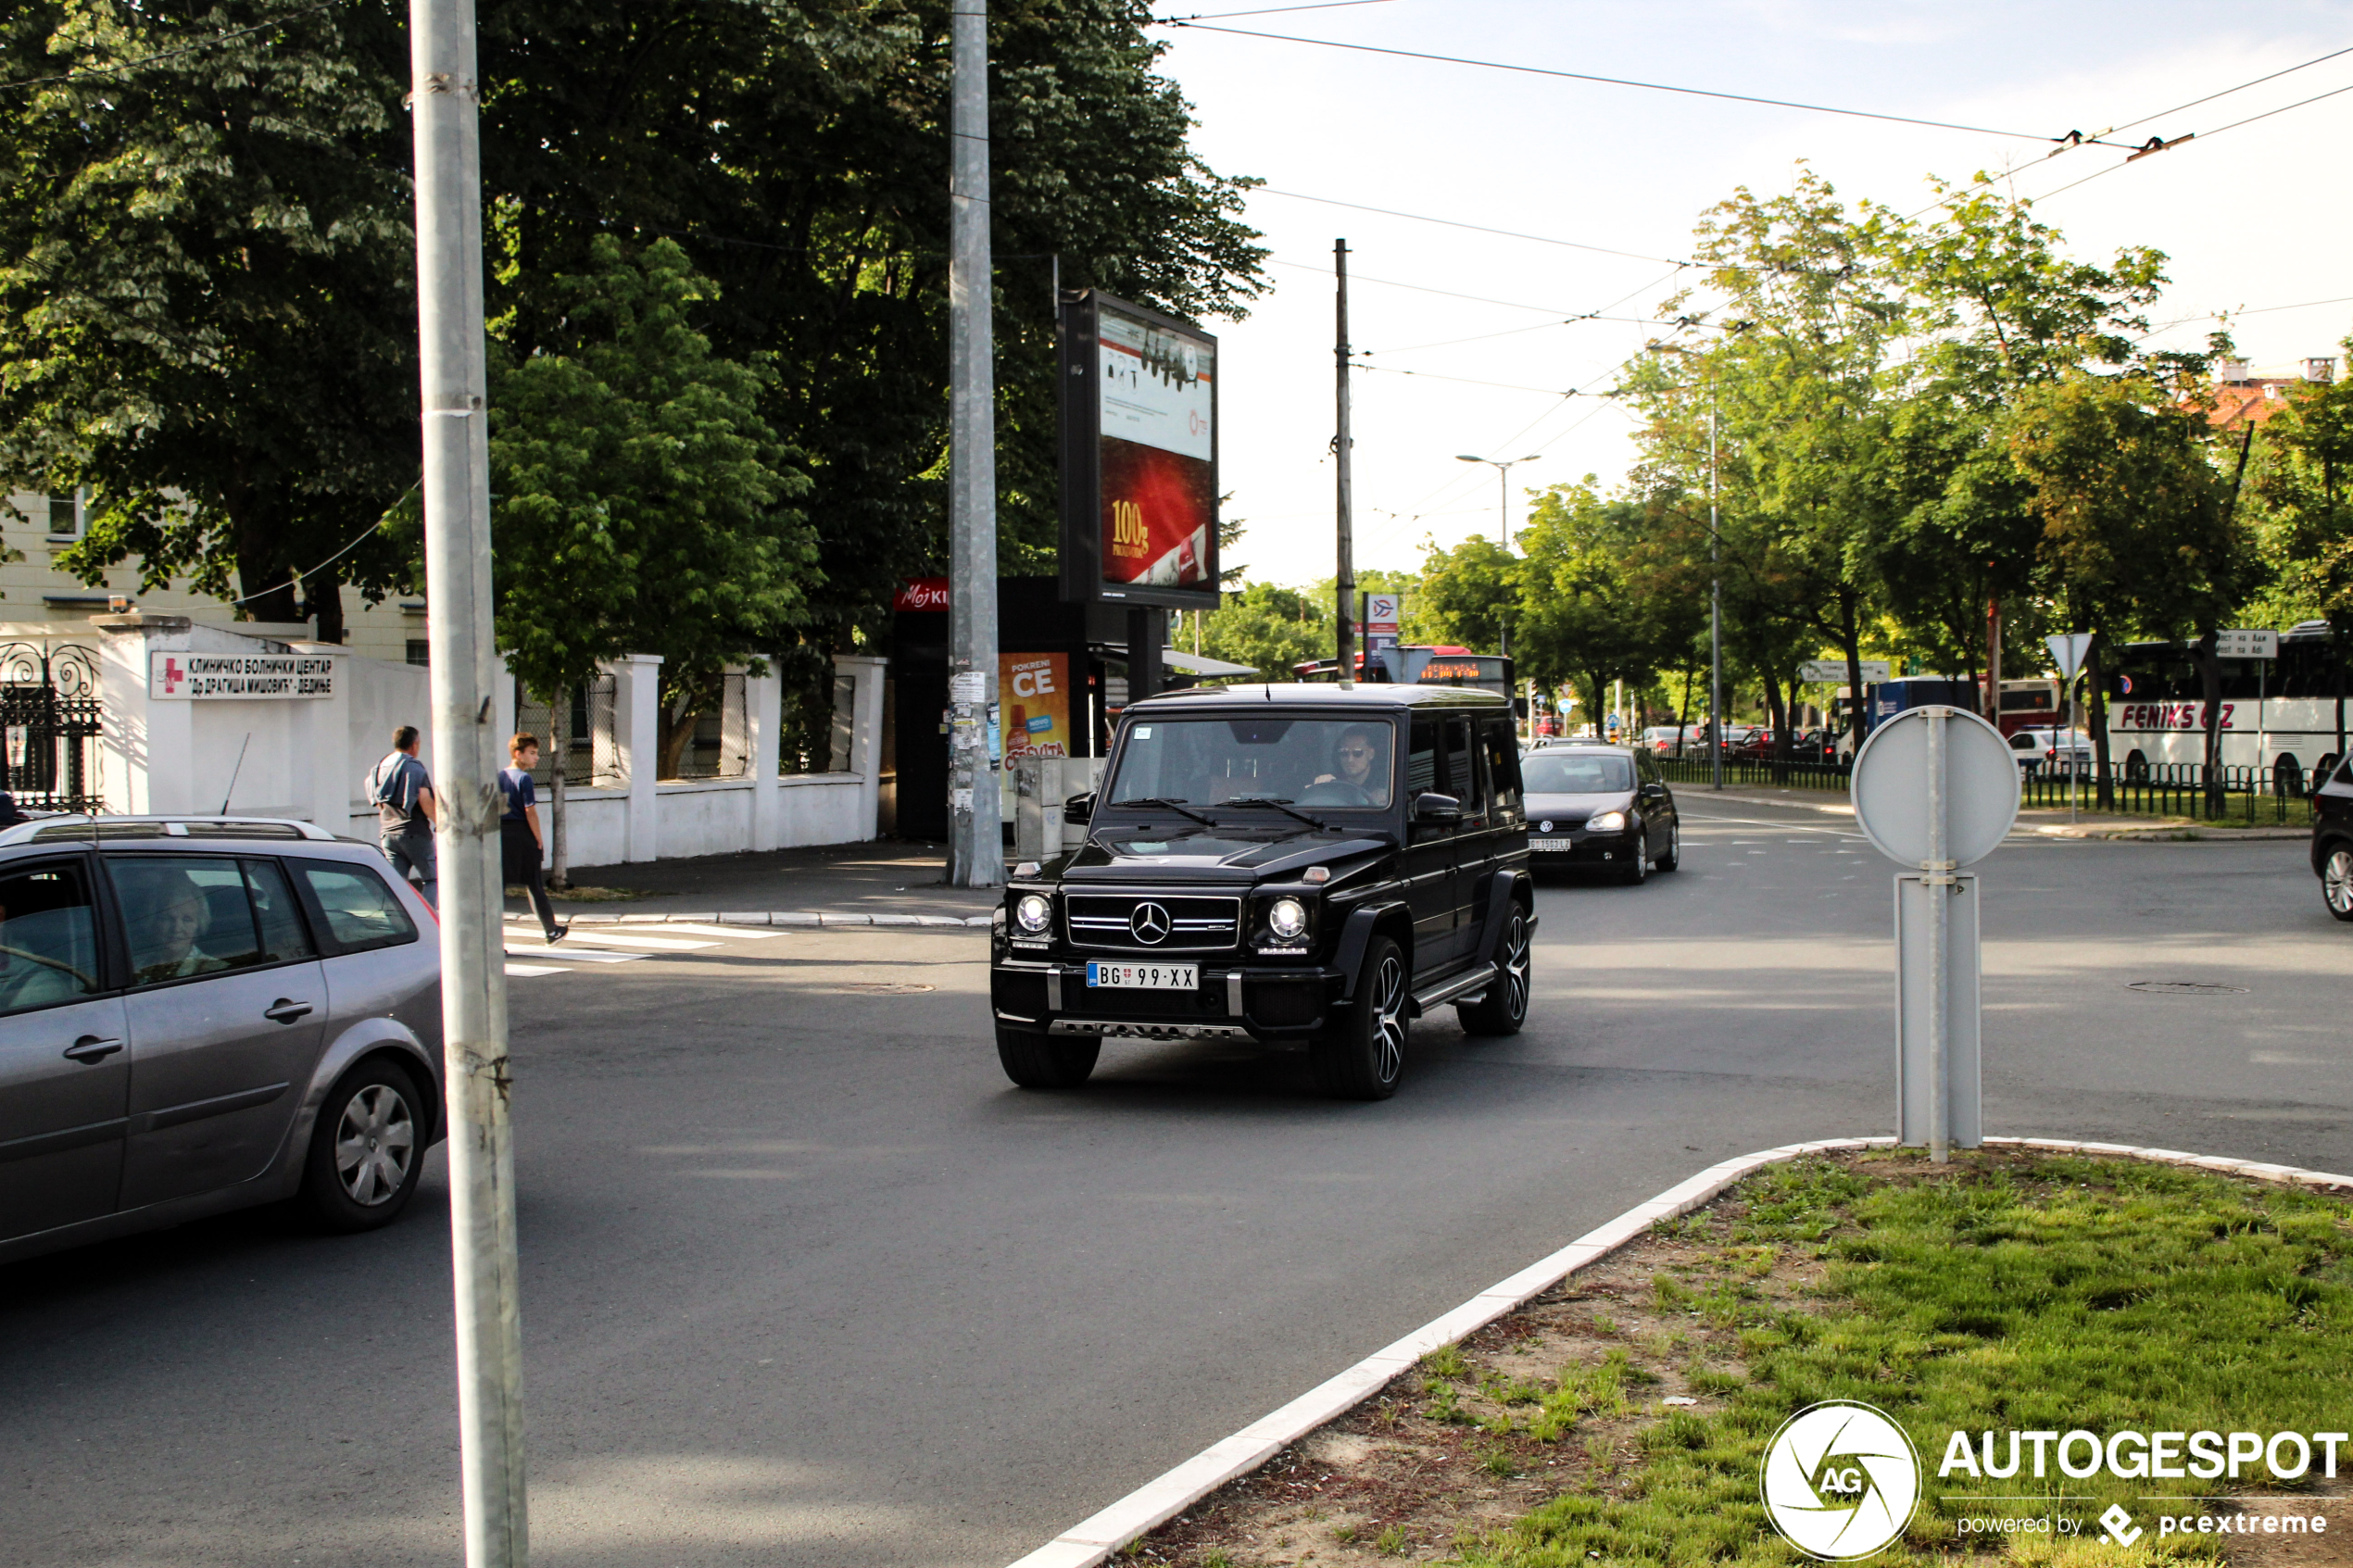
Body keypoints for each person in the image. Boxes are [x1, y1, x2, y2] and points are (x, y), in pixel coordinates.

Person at [499, 734, 566, 943]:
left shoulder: (499, 776)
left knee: (498, 887)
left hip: (501, 833)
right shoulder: (523, 778)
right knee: (533, 883)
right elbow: (530, 811)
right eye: (532, 753)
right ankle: (551, 930)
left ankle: (494, 940)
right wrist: (539, 839)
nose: (536, 757)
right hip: (522, 834)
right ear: (518, 754)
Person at [366, 725, 436, 909]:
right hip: (414, 832)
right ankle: (429, 919)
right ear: (414, 744)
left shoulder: (379, 766)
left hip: (388, 834)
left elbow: (377, 800)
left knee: (396, 884)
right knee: (432, 879)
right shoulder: (414, 767)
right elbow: (425, 800)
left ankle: (394, 920)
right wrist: (442, 823)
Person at [1312, 723, 1390, 805]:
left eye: (1357, 753)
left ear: (1371, 754)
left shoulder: (1387, 782)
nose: (1350, 759)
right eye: (1344, 753)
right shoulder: (1332, 781)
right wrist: (1322, 786)